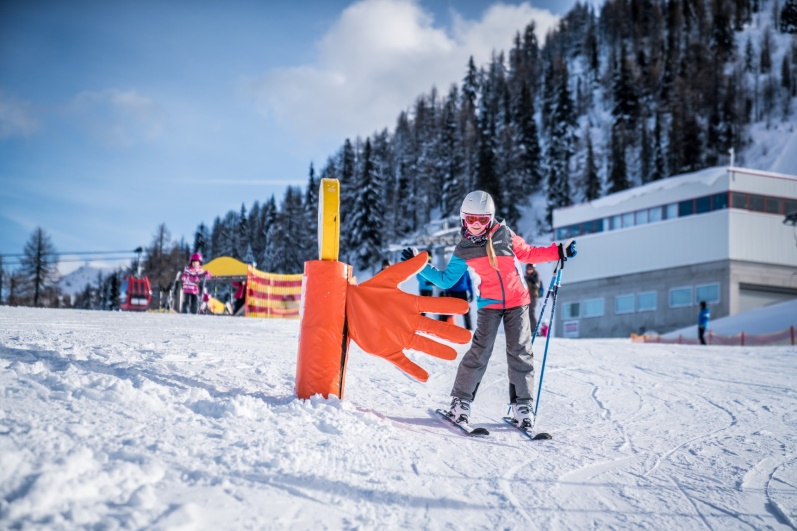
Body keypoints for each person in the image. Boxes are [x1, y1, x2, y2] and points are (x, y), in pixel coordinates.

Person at [401, 190, 576, 430]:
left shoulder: (505, 235)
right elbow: (445, 280)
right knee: (479, 353)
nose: (476, 225)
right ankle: (460, 404)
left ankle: (523, 407)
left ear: (490, 218)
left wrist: (558, 251)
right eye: (471, 219)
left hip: (518, 302)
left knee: (520, 351)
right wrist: (418, 264)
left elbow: (529, 253)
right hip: (489, 306)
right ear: (463, 219)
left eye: (482, 220)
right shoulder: (464, 249)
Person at [524, 263, 543, 333]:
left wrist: (531, 281)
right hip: (526, 296)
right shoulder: (525, 277)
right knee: (526, 313)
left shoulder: (536, 276)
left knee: (531, 313)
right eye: (528, 268)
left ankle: (535, 330)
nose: (529, 270)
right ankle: (528, 330)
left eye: (531, 268)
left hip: (533, 296)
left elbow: (537, 285)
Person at [416, 251, 435, 316]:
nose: (429, 259)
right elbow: (419, 276)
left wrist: (433, 282)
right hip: (424, 289)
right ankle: (421, 319)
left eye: (430, 257)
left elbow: (434, 276)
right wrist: (427, 282)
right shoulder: (422, 265)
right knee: (423, 306)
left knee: (427, 307)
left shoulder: (431, 266)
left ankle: (423, 319)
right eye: (428, 257)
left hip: (430, 289)